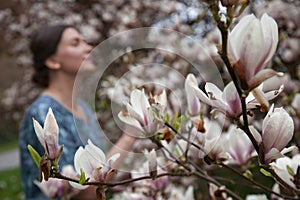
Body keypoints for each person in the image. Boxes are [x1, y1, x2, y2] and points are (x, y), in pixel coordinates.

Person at [19, 24, 136, 199]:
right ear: (52, 61)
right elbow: (83, 193)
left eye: (85, 41)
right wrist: (129, 137)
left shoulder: (83, 108)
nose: (88, 48)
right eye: (75, 43)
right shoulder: (45, 112)